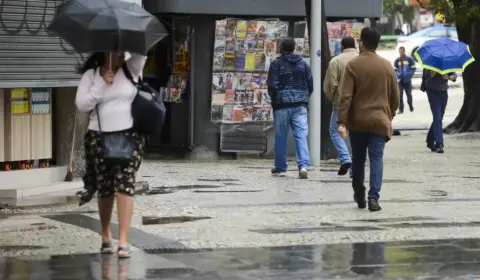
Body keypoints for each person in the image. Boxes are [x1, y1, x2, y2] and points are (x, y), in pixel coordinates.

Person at [75, 52, 147, 258]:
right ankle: (106, 235)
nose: (117, 53)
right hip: (99, 137)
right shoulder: (92, 74)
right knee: (105, 187)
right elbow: (82, 105)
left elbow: (142, 52)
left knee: (126, 184)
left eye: (120, 49)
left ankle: (123, 240)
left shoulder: (131, 68)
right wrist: (101, 84)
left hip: (129, 136)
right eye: (112, 49)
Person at [337, 28, 400, 212]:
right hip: (380, 121)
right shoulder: (387, 66)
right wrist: (390, 114)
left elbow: (346, 96)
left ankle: (359, 192)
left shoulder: (353, 65)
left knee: (357, 158)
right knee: (376, 158)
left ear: (362, 43)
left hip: (358, 121)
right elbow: (395, 96)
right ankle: (374, 197)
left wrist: (341, 121)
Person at [268, 37, 313, 179]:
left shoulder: (276, 64)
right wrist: (305, 98)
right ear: (294, 48)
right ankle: (303, 166)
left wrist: (274, 101)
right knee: (301, 135)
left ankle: (281, 167)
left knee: (281, 136)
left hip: (281, 105)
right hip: (300, 105)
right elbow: (310, 84)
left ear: (281, 48)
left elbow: (272, 86)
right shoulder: (303, 64)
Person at [324, 36, 358, 176]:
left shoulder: (336, 61)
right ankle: (354, 169)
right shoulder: (361, 59)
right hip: (359, 104)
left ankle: (345, 158)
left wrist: (332, 99)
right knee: (355, 134)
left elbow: (330, 85)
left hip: (341, 103)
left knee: (335, 130)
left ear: (342, 47)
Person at [420, 69, 456, 153]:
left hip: (443, 92)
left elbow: (454, 77)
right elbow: (429, 76)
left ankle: (430, 140)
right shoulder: (429, 65)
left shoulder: (446, 63)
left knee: (439, 117)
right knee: (437, 117)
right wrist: (436, 70)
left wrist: (449, 77)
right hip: (432, 92)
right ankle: (439, 144)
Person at [393, 47, 416, 113]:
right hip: (400, 81)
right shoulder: (397, 60)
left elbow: (413, 68)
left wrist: (409, 74)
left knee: (409, 94)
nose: (401, 53)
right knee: (400, 95)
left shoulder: (409, 59)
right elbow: (394, 69)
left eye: (402, 51)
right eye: (400, 52)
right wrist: (398, 74)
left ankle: (410, 104)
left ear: (404, 51)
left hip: (407, 80)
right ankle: (401, 109)